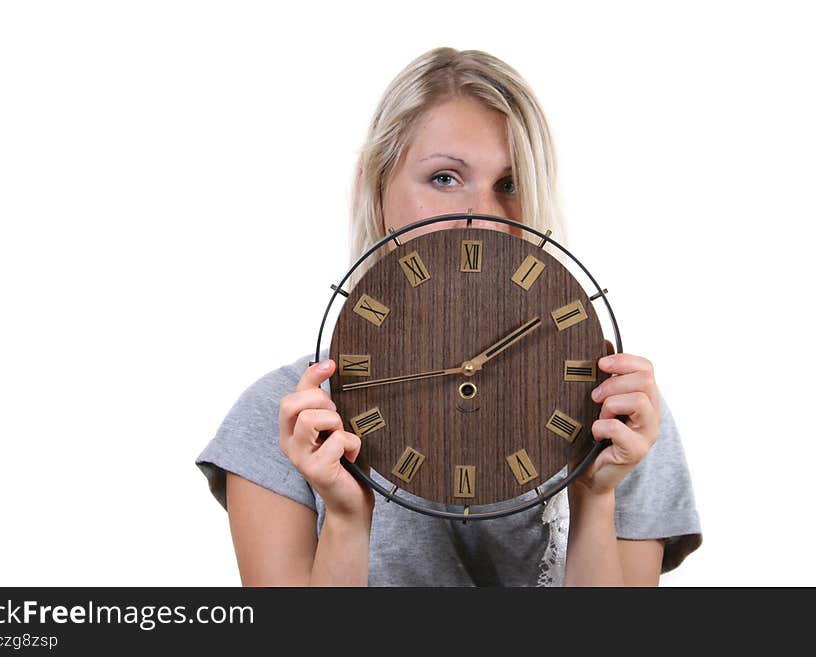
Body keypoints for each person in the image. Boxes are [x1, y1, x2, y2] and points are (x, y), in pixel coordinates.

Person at [196, 47, 702, 586]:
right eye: (443, 178)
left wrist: (594, 495)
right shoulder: (289, 419)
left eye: (510, 185)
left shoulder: (617, 411)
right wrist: (346, 518)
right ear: (376, 184)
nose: (480, 213)